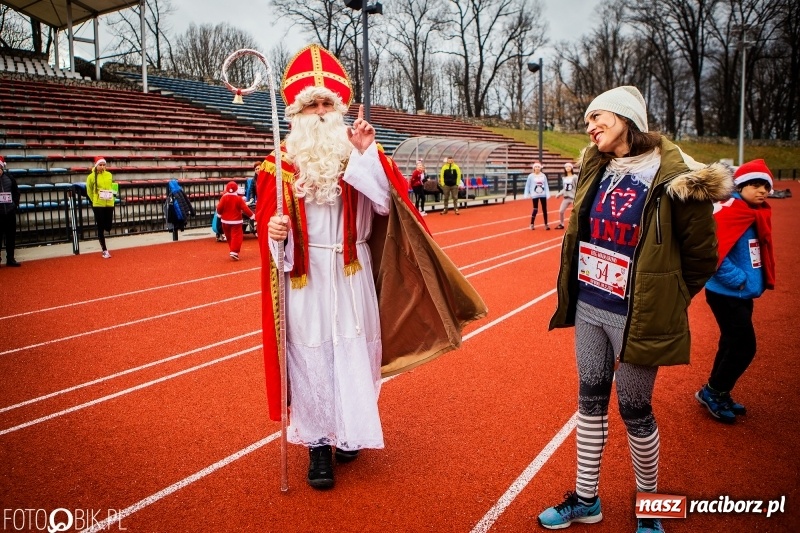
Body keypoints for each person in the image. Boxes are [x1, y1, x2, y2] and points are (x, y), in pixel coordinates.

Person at [261, 44, 486, 491]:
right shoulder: (277, 164)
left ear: (339, 108)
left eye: (328, 104)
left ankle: (349, 430)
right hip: (304, 278)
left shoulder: (361, 151)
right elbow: (268, 241)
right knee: (310, 356)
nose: (321, 113)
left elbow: (388, 206)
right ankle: (318, 448)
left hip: (352, 270)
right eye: (312, 105)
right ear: (296, 113)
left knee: (355, 353)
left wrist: (365, 157)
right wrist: (275, 233)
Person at [539, 86, 732, 533]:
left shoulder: (675, 176)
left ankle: (652, 509)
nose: (589, 127)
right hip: (591, 304)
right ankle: (586, 500)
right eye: (587, 121)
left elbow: (703, 256)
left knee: (635, 409)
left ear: (626, 117)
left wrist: (668, 297)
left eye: (597, 117)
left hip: (638, 315)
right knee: (589, 403)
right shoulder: (595, 164)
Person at [695, 159, 776, 424]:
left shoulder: (755, 212)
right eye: (755, 184)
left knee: (731, 342)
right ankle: (714, 391)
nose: (762, 190)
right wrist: (738, 280)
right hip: (727, 293)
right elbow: (715, 252)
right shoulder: (733, 211)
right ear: (740, 186)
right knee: (744, 346)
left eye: (766, 185)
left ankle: (717, 390)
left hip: (741, 293)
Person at [216, 181, 255, 261]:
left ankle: (232, 250)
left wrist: (219, 215)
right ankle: (234, 251)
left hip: (225, 221)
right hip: (236, 221)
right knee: (237, 236)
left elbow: (219, 208)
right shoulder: (238, 199)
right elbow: (245, 209)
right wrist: (252, 216)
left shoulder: (224, 197)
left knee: (229, 236)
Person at [86, 156, 116, 258]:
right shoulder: (90, 177)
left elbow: (112, 187)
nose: (102, 166)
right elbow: (89, 191)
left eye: (104, 165)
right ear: (96, 165)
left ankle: (102, 229)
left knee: (108, 226)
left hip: (109, 203)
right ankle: (105, 250)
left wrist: (112, 195)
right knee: (101, 227)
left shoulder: (109, 174)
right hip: (98, 204)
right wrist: (94, 200)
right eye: (100, 165)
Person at [0, 156, 21, 267]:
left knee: (10, 237)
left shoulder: (9, 178)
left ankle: (10, 259)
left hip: (9, 212)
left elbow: (16, 192)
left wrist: (14, 204)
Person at [524, 161, 550, 230]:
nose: (537, 168)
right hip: (535, 194)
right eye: (536, 167)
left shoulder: (543, 175)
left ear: (540, 168)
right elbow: (527, 186)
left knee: (544, 209)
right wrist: (526, 194)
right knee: (535, 209)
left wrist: (547, 194)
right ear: (534, 168)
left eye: (538, 167)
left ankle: (546, 224)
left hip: (543, 194)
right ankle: (532, 224)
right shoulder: (530, 176)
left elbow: (546, 185)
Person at [555, 162, 577, 229]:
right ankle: (561, 224)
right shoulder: (564, 178)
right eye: (566, 167)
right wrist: (559, 194)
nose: (568, 168)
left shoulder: (575, 177)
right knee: (561, 211)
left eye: (569, 167)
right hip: (566, 197)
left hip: (573, 197)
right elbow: (565, 188)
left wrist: (577, 195)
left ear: (571, 168)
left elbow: (577, 186)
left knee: (577, 211)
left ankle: (578, 225)